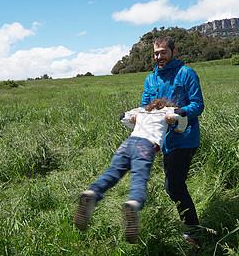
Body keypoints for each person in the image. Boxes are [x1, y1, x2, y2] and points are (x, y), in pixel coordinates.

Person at [74, 98, 188, 244]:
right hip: (146, 146)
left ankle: (92, 193)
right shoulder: (168, 110)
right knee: (139, 178)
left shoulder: (140, 110)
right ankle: (133, 203)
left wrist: (133, 121)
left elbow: (123, 117)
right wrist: (179, 128)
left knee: (113, 172)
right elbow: (182, 113)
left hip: (127, 143)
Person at [139, 35, 204, 235]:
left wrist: (178, 113)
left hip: (185, 137)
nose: (159, 57)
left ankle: (192, 232)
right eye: (156, 53)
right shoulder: (151, 79)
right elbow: (145, 106)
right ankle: (191, 226)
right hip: (164, 140)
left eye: (163, 52)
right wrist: (137, 116)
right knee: (173, 185)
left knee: (174, 186)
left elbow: (198, 104)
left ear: (174, 53)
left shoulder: (186, 74)